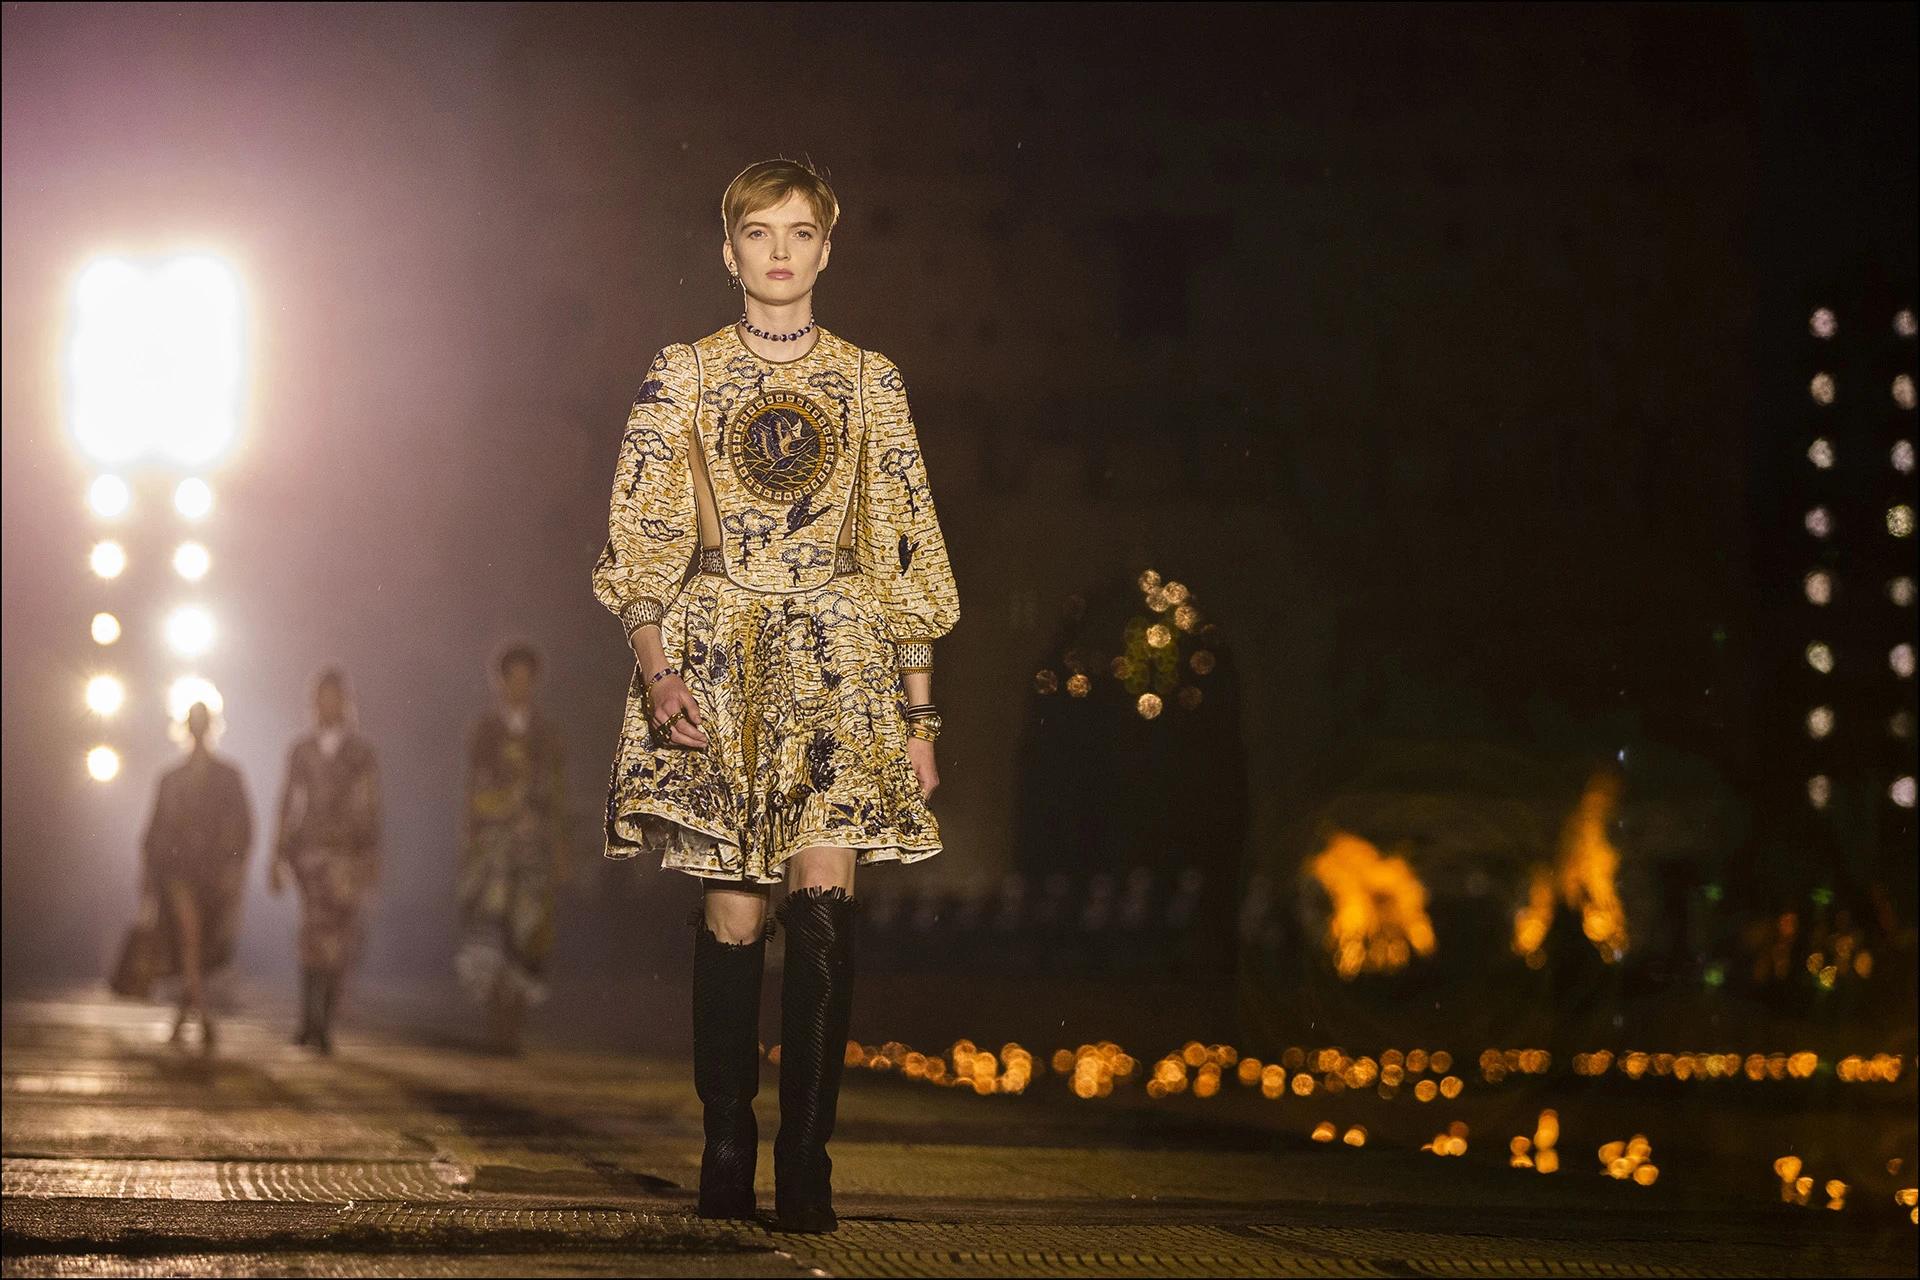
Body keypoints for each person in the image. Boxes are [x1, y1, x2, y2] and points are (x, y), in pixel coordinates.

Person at [592, 158, 958, 1233]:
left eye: (801, 231)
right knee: (733, 906)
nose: (782, 249)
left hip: (839, 656)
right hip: (715, 651)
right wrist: (658, 671)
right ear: (729, 250)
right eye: (760, 231)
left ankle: (808, 1158)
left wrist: (920, 711)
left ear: (828, 247)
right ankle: (725, 1136)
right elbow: (642, 534)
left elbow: (902, 542)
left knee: (824, 892)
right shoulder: (684, 372)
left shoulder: (869, 379)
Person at [456, 643, 569, 1053]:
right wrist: (470, 844)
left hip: (534, 853)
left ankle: (515, 1030)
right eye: (513, 678)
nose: (520, 687)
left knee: (527, 938)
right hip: (491, 852)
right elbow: (472, 792)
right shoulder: (484, 731)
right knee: (489, 937)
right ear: (499, 682)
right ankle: (496, 1027)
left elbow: (557, 797)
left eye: (527, 679)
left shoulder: (547, 735)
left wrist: (560, 850)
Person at [270, 668, 381, 1054]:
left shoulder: (361, 752)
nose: (328, 703)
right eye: (322, 696)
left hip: (348, 855)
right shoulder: (301, 750)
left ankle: (325, 1021)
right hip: (311, 854)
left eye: (335, 696)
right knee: (313, 936)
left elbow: (372, 806)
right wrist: (277, 855)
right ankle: (309, 1020)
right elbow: (287, 802)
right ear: (314, 702)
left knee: (341, 940)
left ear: (345, 702)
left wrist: (372, 856)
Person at [140, 701, 252, 1054]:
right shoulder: (171, 779)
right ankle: (203, 1015)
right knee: (189, 935)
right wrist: (149, 877)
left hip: (214, 873)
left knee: (202, 944)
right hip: (179, 872)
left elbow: (243, 827)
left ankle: (182, 1013)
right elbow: (155, 832)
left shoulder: (228, 776)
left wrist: (235, 869)